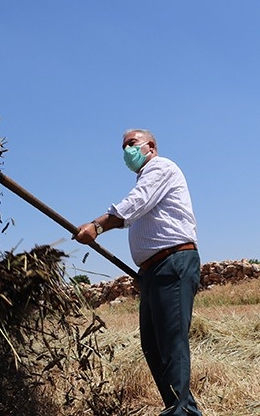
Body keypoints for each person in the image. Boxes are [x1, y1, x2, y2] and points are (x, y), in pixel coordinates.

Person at [73, 129, 201, 416]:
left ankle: (184, 412)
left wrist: (98, 225)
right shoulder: (146, 177)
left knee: (171, 340)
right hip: (153, 270)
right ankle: (176, 406)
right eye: (123, 147)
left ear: (150, 146)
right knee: (152, 344)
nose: (126, 151)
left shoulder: (161, 167)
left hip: (174, 263)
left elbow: (135, 203)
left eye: (131, 144)